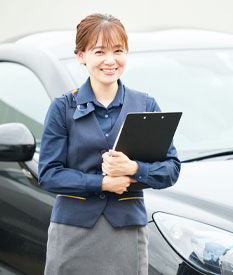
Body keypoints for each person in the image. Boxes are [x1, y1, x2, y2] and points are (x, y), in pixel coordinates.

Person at [38, 13, 181, 275]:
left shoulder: (146, 106)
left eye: (118, 50)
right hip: (72, 231)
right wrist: (102, 183)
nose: (110, 60)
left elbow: (171, 169)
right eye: (99, 51)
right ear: (81, 56)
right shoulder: (63, 108)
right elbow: (48, 174)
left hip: (126, 231)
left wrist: (133, 168)